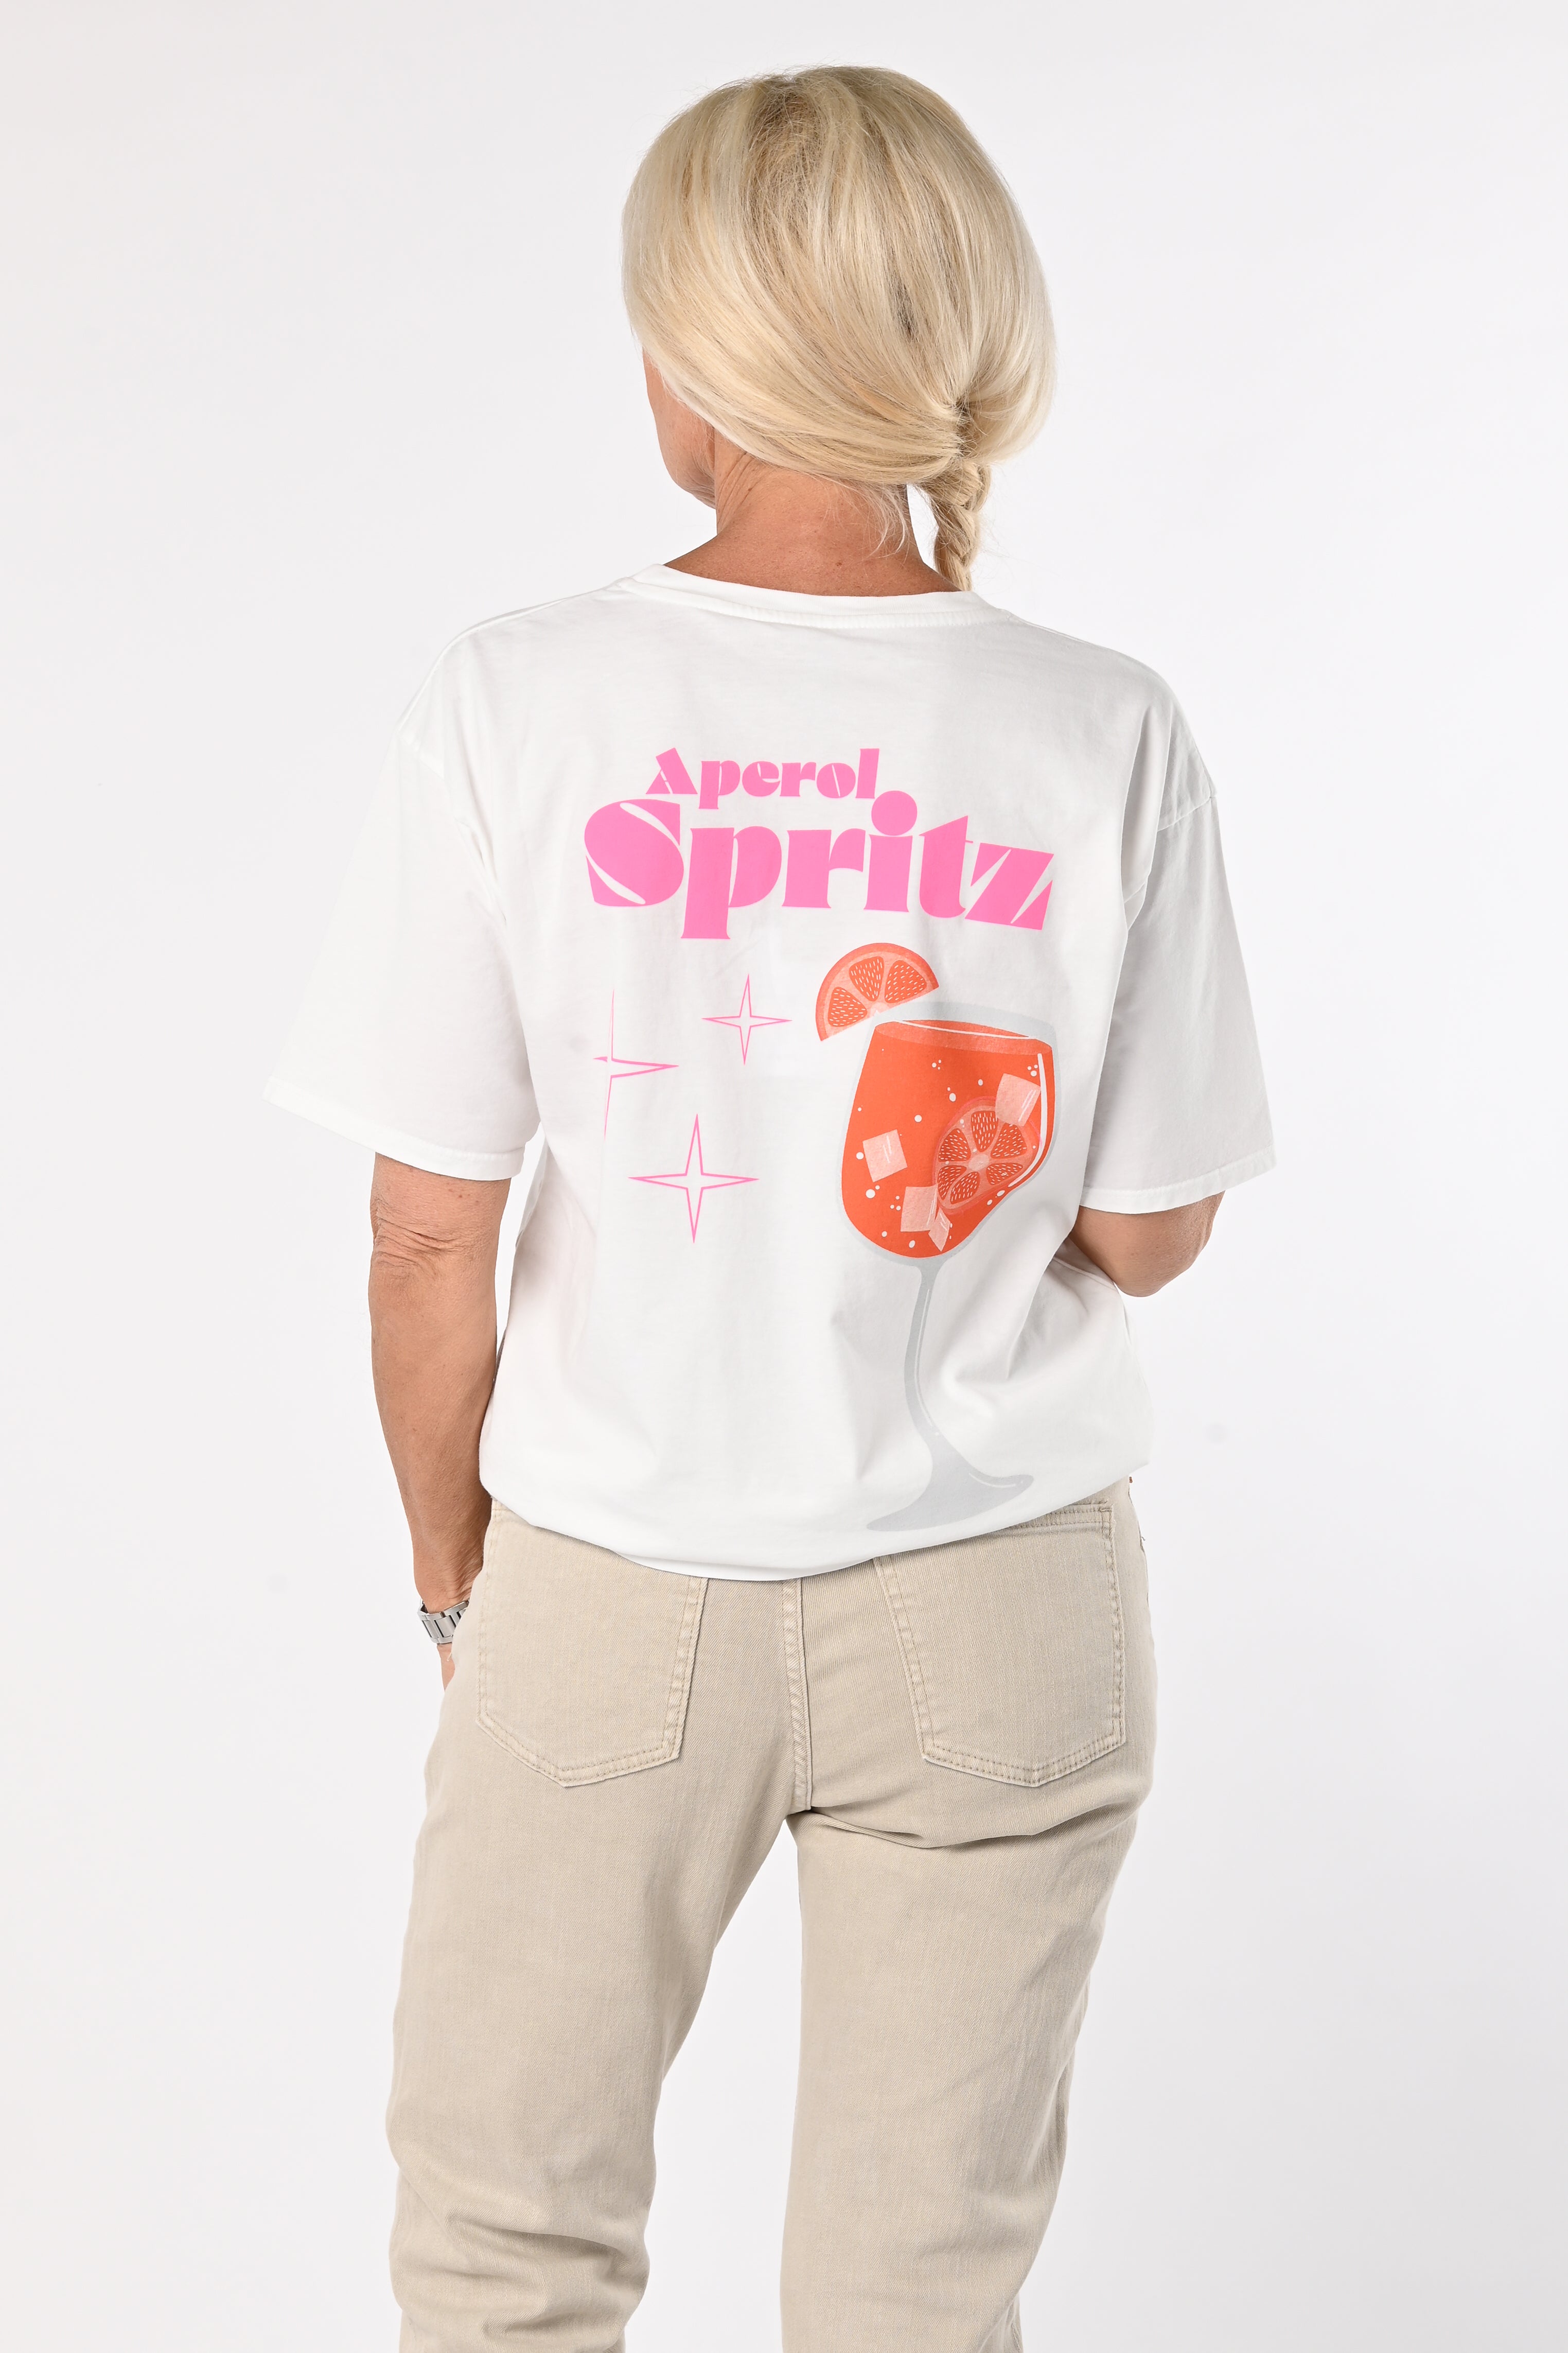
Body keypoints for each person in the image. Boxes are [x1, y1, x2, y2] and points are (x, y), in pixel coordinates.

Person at [269, 65, 1273, 2353]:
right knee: (919, 2297)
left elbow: (425, 1233)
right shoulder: (1103, 726)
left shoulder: (520, 699)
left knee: (506, 2258)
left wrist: (456, 1581)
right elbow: (1150, 1232)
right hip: (1001, 1595)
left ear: (692, 361)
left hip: (612, 1583)